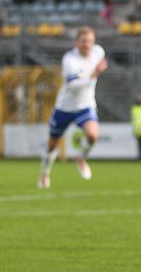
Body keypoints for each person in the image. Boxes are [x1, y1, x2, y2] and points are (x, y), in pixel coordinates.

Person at [38, 27, 108, 188]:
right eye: (83, 41)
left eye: (90, 41)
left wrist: (94, 74)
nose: (87, 44)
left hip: (85, 105)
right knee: (52, 146)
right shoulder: (70, 60)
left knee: (92, 135)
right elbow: (74, 86)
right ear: (77, 42)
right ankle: (45, 173)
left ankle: (81, 158)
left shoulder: (98, 52)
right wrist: (95, 74)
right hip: (64, 107)